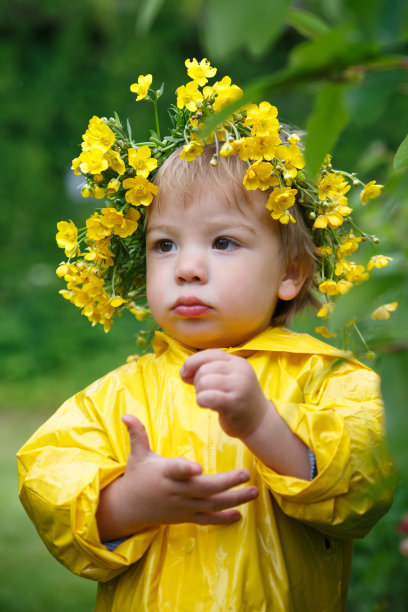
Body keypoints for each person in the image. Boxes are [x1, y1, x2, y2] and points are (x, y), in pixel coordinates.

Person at [17, 60, 397, 611]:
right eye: (164, 244)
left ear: (291, 273)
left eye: (223, 242)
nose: (187, 268)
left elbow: (363, 487)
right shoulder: (120, 396)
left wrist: (263, 424)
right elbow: (47, 481)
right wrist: (128, 503)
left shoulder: (330, 378)